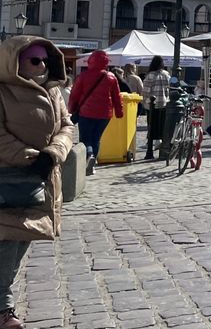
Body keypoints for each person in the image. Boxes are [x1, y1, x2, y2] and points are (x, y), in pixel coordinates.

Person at [0, 37, 75, 329]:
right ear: (15, 60)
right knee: (7, 241)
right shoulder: (4, 90)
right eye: (34, 59)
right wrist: (31, 157)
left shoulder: (54, 91)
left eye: (45, 59)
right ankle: (4, 311)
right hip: (10, 180)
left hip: (41, 182)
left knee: (20, 242)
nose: (42, 65)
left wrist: (53, 153)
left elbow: (67, 126)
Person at [68, 51, 123, 176]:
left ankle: (89, 156)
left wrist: (71, 109)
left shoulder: (83, 76)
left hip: (86, 112)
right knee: (96, 137)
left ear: (90, 61)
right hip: (105, 114)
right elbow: (116, 96)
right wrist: (119, 112)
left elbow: (74, 95)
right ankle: (93, 163)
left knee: (85, 139)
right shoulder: (111, 77)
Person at [141, 56, 170, 160]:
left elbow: (146, 92)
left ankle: (150, 149)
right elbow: (168, 90)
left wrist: (145, 102)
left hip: (152, 105)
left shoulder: (150, 76)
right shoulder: (166, 74)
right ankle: (160, 143)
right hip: (164, 104)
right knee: (161, 125)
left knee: (151, 125)